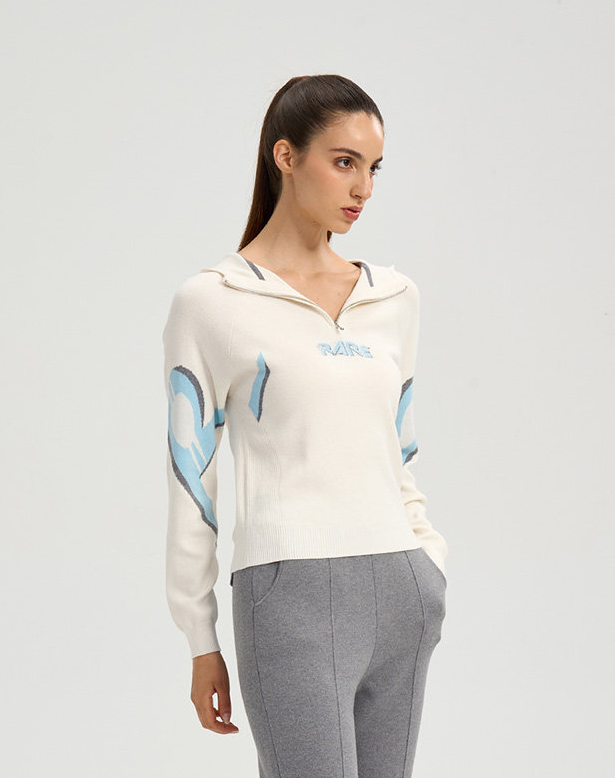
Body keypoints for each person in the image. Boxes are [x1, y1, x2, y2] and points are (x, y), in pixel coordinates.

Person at [162, 74, 449, 778]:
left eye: (373, 168)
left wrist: (430, 566)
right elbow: (191, 479)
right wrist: (200, 637)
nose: (363, 188)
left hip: (403, 591)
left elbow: (399, 452)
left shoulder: (394, 298)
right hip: (289, 597)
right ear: (285, 156)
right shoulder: (214, 301)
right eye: (344, 162)